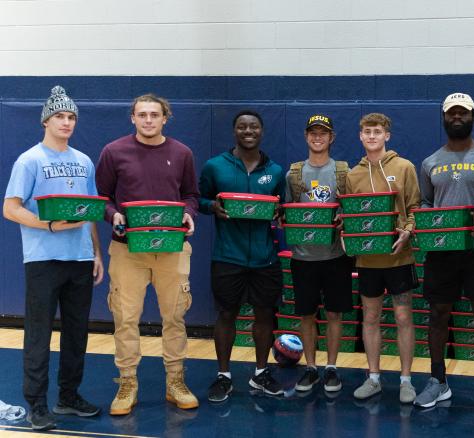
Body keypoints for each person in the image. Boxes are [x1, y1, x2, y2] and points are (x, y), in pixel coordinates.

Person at [3, 86, 104, 430]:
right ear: (45, 120)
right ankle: (36, 405)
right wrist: (47, 224)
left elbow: (89, 210)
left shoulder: (84, 161)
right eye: (60, 116)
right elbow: (10, 208)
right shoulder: (29, 160)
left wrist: (96, 253)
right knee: (38, 334)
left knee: (77, 333)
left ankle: (68, 397)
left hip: (79, 258)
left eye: (71, 116)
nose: (66, 122)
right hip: (43, 259)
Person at [96, 94, 200, 415]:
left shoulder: (182, 153)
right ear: (133, 118)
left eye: (155, 115)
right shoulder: (114, 152)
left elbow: (191, 195)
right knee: (125, 319)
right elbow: (102, 197)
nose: (149, 120)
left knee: (175, 316)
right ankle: (127, 383)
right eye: (142, 115)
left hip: (171, 249)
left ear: (165, 118)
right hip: (129, 250)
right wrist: (113, 215)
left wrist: (188, 214)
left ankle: (176, 382)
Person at [414, 93, 474, 417]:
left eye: (463, 113)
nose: (457, 117)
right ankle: (438, 381)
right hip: (442, 248)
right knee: (438, 315)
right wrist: (424, 219)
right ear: (443, 118)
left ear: (473, 118)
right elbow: (426, 203)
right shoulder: (429, 162)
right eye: (451, 112)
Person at [200, 109, 287, 401]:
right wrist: (211, 206)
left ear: (261, 131)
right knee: (227, 314)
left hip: (265, 257)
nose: (248, 131)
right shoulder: (215, 167)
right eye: (242, 127)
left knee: (265, 315)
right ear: (234, 131)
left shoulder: (275, 171)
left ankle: (261, 373)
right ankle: (223, 376)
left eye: (253, 127)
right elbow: (198, 199)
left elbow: (283, 208)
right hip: (228, 256)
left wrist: (279, 212)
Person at [346, 113, 420, 404]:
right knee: (371, 317)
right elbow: (352, 216)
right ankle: (373, 377)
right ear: (360, 136)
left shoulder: (404, 167)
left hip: (399, 257)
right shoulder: (353, 175)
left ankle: (405, 380)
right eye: (367, 132)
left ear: (387, 135)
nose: (372, 136)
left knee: (403, 316)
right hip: (368, 260)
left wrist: (407, 231)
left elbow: (415, 207)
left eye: (377, 131)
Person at [285, 114, 353, 393]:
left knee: (335, 313)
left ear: (331, 137)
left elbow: (351, 209)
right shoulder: (294, 173)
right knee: (306, 315)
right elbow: (286, 210)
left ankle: (332, 367)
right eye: (312, 132)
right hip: (303, 256)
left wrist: (343, 219)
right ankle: (311, 367)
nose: (317, 137)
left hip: (335, 255)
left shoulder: (343, 171)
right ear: (305, 136)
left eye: (323, 133)